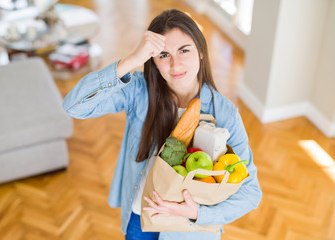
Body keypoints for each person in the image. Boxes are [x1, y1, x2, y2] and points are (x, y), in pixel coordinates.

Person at [63, 9, 262, 240]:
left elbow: (250, 192)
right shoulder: (139, 91)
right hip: (140, 216)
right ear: (153, 61)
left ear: (200, 51)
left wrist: (197, 213)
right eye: (164, 55)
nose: (175, 65)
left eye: (184, 50)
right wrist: (131, 61)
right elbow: (74, 106)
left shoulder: (225, 114)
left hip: (188, 230)